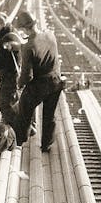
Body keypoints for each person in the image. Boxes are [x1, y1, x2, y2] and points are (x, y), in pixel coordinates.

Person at [12, 10, 65, 153]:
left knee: (24, 110)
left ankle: (20, 142)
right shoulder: (50, 34)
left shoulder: (28, 47)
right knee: (50, 115)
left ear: (24, 29)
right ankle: (46, 145)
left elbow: (27, 77)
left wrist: (19, 83)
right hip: (56, 81)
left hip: (40, 85)